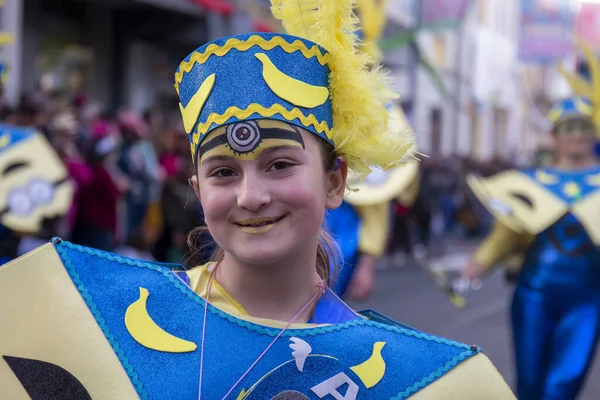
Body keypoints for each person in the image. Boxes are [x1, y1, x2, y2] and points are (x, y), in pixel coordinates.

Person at [0, 1, 514, 398]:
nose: (251, 196)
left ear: (335, 180)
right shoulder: (95, 313)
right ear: (199, 192)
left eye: (280, 165)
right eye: (224, 172)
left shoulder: (415, 380)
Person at [463, 95, 600, 399]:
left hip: (588, 301)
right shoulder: (531, 183)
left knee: (562, 385)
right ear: (554, 136)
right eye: (568, 128)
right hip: (534, 295)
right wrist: (476, 267)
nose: (577, 135)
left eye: (583, 127)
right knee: (530, 384)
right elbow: (506, 235)